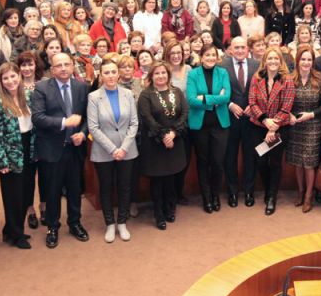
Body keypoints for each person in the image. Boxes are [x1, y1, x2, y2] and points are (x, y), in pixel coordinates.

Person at [30, 52, 89, 248]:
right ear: (52, 69)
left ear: (72, 66)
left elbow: (87, 117)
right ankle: (53, 227)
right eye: (58, 65)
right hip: (52, 149)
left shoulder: (82, 87)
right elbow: (37, 118)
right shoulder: (41, 88)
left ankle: (75, 223)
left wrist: (82, 132)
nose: (63, 68)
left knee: (75, 189)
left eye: (66, 64)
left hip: (75, 148)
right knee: (53, 191)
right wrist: (64, 122)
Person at [88, 59, 139, 243]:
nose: (110, 76)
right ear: (101, 76)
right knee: (106, 187)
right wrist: (112, 149)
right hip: (104, 151)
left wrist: (123, 148)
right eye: (106, 72)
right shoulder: (94, 97)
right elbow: (93, 127)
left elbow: (134, 122)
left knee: (125, 187)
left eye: (113, 72)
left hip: (127, 150)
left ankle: (122, 222)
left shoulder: (128, 94)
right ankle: (110, 223)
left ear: (118, 74)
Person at [0, 63, 34, 249]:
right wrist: (1, 161)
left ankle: (10, 230)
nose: (10, 81)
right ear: (0, 81)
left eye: (13, 76)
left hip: (27, 148)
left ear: (19, 76)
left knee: (26, 193)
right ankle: (17, 234)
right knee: (13, 196)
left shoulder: (28, 97)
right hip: (9, 153)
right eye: (5, 78)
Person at [138, 62, 189, 230]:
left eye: (163, 73)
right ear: (151, 76)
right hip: (154, 144)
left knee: (172, 178)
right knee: (158, 181)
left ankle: (170, 209)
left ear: (168, 75)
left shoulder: (177, 92)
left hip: (175, 141)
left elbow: (184, 114)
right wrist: (164, 135)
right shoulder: (146, 95)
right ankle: (159, 214)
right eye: (157, 73)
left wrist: (173, 133)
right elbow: (148, 119)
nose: (160, 76)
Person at [246, 46, 295, 215]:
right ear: (264, 61)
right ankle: (268, 189)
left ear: (280, 61)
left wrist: (273, 127)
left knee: (274, 163)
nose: (273, 61)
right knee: (260, 161)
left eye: (276, 59)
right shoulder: (256, 78)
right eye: (270, 58)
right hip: (259, 127)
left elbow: (287, 106)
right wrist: (266, 121)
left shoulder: (287, 80)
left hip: (280, 129)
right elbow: (252, 102)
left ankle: (272, 197)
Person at [187, 44, 232, 213]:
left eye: (213, 55)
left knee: (218, 162)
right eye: (207, 55)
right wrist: (215, 99)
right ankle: (206, 198)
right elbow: (191, 100)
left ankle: (215, 196)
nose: (211, 58)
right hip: (200, 126)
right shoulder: (193, 74)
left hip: (220, 126)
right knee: (203, 162)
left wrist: (204, 98)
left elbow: (226, 97)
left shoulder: (223, 73)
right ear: (201, 56)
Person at [286, 45, 321, 212]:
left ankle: (308, 196)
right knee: (298, 162)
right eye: (303, 59)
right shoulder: (289, 79)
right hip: (295, 125)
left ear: (313, 61)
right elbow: (283, 101)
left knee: (309, 163)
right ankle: (300, 191)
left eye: (309, 59)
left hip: (313, 124)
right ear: (297, 61)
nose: (306, 62)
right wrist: (289, 114)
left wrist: (311, 114)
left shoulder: (319, 79)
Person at [220, 37, 260, 207]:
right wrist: (229, 105)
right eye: (236, 47)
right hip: (230, 118)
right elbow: (216, 90)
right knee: (230, 157)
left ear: (247, 49)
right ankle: (233, 192)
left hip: (252, 119)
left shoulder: (257, 65)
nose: (240, 50)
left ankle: (249, 192)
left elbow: (261, 89)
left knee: (251, 156)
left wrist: (254, 105)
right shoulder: (222, 66)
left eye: (243, 47)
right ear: (230, 49)